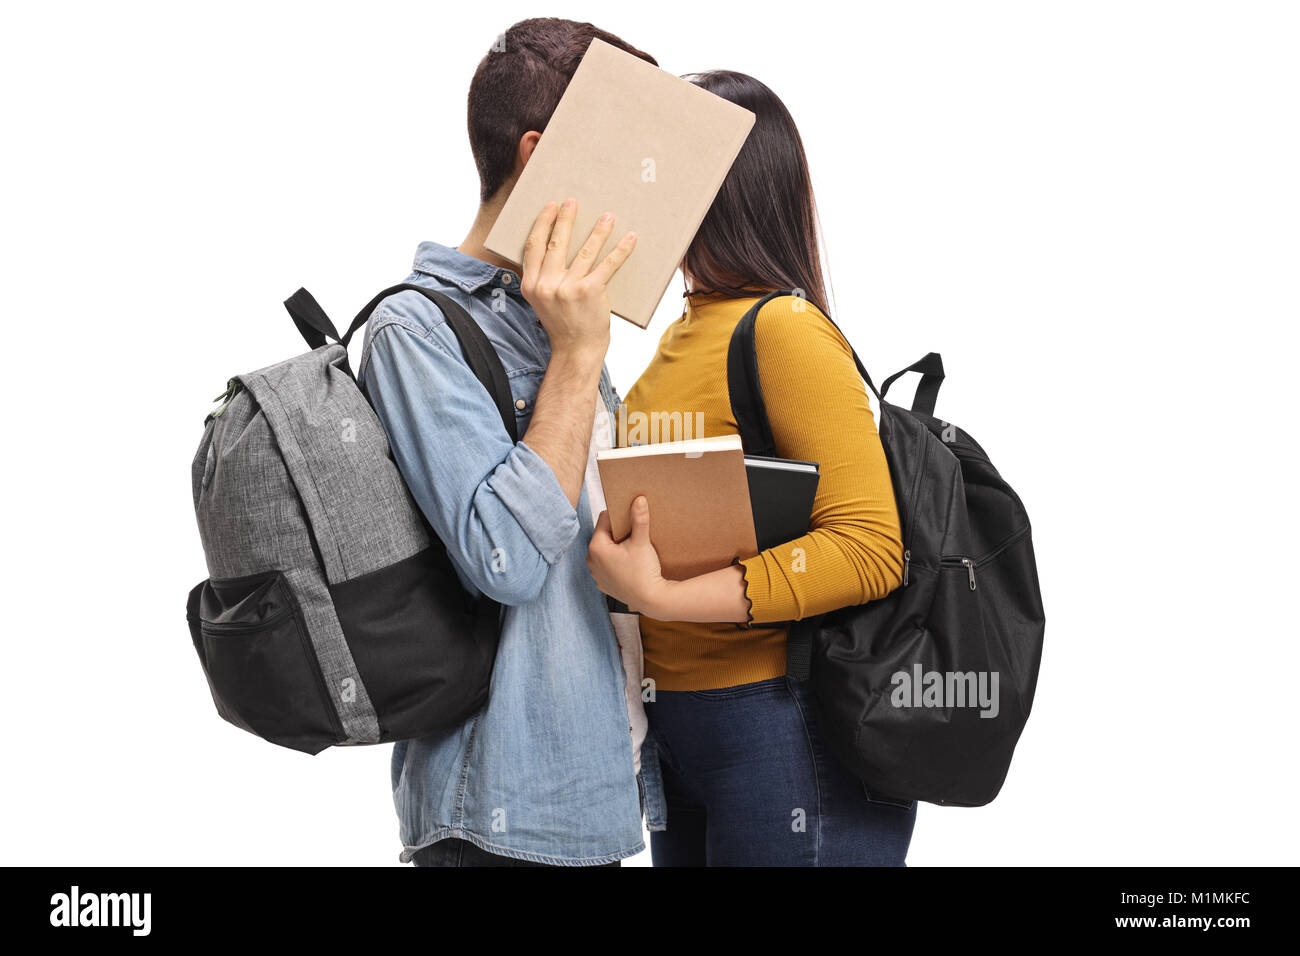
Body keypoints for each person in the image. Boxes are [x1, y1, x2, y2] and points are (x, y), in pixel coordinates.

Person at [586, 70, 918, 866]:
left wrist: (657, 593)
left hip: (779, 725)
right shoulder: (675, 339)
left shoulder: (785, 331)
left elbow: (871, 548)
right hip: (681, 730)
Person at [357, 18, 660, 867]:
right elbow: (506, 562)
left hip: (600, 795)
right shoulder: (414, 332)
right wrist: (577, 355)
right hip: (497, 817)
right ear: (537, 158)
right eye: (627, 156)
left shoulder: (559, 318)